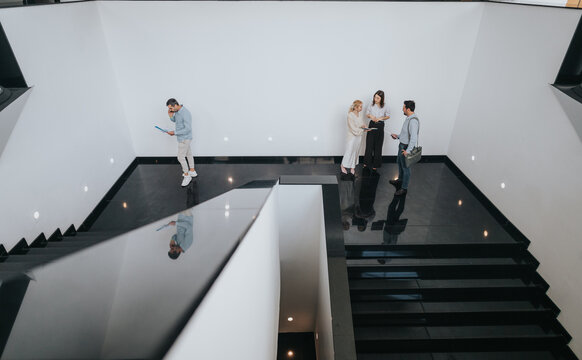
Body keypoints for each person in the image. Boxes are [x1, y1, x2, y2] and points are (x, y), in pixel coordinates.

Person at [166, 98, 198, 187]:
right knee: (188, 154)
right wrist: (170, 116)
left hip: (184, 138)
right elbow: (176, 121)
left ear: (175, 105)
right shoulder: (177, 112)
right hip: (183, 138)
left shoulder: (185, 113)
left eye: (171, 108)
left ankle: (187, 176)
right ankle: (192, 171)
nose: (170, 110)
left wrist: (174, 132)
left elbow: (188, 129)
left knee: (180, 157)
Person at [390, 100, 419, 196]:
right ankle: (400, 180)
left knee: (406, 168)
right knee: (399, 163)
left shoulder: (413, 121)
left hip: (406, 147)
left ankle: (404, 188)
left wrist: (408, 151)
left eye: (403, 108)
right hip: (402, 145)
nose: (402, 109)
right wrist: (398, 136)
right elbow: (405, 134)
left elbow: (414, 138)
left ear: (408, 109)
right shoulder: (408, 118)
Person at [364, 90, 391, 170]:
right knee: (369, 144)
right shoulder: (371, 104)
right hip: (372, 124)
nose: (375, 99)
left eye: (378, 98)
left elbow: (388, 116)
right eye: (375, 97)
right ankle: (366, 163)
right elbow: (367, 114)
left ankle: (376, 164)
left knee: (378, 145)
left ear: (381, 99)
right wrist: (371, 116)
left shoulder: (385, 106)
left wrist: (381, 118)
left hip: (380, 125)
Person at [340, 100, 369, 175]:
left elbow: (361, 124)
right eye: (360, 106)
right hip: (352, 136)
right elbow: (353, 128)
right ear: (355, 107)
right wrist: (362, 130)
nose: (361, 108)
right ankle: (343, 165)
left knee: (356, 151)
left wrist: (365, 127)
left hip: (358, 137)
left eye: (361, 106)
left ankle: (352, 167)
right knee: (349, 151)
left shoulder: (359, 115)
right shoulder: (350, 115)